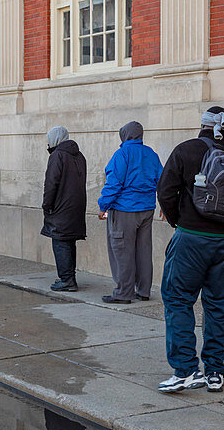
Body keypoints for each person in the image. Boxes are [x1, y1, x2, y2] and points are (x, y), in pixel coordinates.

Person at [156, 106, 224, 394]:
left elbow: (165, 192)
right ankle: (214, 371)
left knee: (178, 299)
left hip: (191, 238)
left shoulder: (186, 150)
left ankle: (186, 370)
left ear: (202, 124)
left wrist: (178, 221)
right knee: (219, 306)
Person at [97, 121, 162, 304]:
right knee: (144, 251)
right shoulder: (151, 154)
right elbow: (162, 181)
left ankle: (123, 293)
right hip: (147, 209)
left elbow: (113, 184)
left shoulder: (122, 154)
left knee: (122, 252)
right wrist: (164, 205)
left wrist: (103, 205)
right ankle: (143, 291)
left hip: (124, 210)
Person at [41, 126, 87, 292]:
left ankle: (67, 279)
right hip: (76, 206)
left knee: (60, 241)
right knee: (69, 241)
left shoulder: (57, 156)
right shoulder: (79, 155)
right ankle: (69, 277)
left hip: (61, 207)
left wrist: (47, 205)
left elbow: (51, 184)